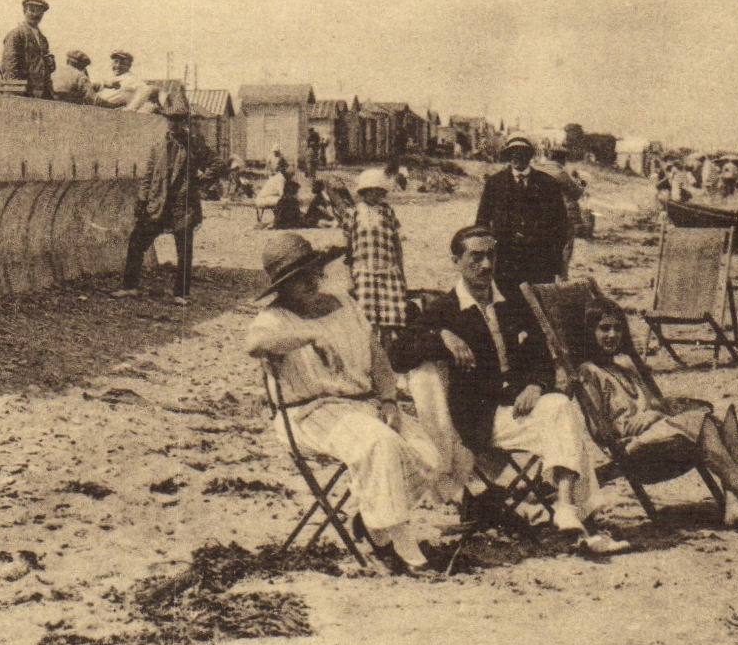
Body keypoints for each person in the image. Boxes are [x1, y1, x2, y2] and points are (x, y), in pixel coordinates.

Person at [419, 226, 628, 554]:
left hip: (518, 407)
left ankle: (565, 507)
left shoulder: (511, 301)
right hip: (479, 420)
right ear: (455, 260)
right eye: (476, 256)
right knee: (564, 419)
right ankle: (584, 520)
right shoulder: (443, 309)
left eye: (491, 255)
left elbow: (542, 356)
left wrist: (535, 384)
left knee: (560, 407)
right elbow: (401, 351)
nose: (486, 265)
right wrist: (442, 337)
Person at [247, 233, 443, 571]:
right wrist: (310, 336)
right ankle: (399, 546)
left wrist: (389, 401)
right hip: (311, 412)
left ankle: (371, 523)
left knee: (429, 456)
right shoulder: (274, 319)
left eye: (314, 271)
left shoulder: (344, 302)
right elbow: (255, 343)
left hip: (363, 403)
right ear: (283, 286)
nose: (310, 281)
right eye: (297, 278)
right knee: (380, 444)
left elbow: (377, 356)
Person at [577, 298, 738, 526]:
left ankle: (732, 505)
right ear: (590, 332)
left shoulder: (626, 365)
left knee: (720, 414)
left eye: (618, 328)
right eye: (604, 328)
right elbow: (599, 430)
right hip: (633, 446)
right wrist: (630, 424)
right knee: (701, 422)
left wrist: (655, 412)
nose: (612, 335)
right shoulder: (588, 372)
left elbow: (656, 405)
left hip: (659, 431)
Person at [113, 87, 208, 302]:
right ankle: (130, 286)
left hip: (182, 205)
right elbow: (148, 175)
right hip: (158, 203)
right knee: (137, 241)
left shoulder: (195, 145)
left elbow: (217, 165)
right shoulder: (158, 145)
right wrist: (142, 199)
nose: (174, 124)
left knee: (184, 250)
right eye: (171, 120)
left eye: (178, 120)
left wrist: (197, 182)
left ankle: (181, 293)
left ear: (184, 122)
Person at [474, 134, 571, 296]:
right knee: (505, 306)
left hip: (539, 261)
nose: (516, 157)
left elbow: (560, 226)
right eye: (511, 152)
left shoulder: (547, 184)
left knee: (539, 307)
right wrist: (487, 256)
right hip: (504, 260)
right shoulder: (495, 183)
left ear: (530, 155)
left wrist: (553, 261)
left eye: (521, 152)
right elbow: (482, 221)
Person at [345, 169, 410, 365]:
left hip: (389, 271)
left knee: (389, 322)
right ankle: (371, 365)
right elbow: (347, 248)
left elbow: (397, 244)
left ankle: (387, 364)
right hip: (363, 271)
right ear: (364, 191)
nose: (376, 195)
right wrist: (349, 277)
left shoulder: (388, 212)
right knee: (369, 323)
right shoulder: (353, 213)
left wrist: (401, 270)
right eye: (372, 191)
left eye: (380, 191)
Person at [1, 0, 54, 98]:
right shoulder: (16, 34)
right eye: (32, 10)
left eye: (40, 12)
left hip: (39, 92)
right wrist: (15, 92)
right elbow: (10, 65)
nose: (35, 15)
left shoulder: (42, 39)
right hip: (21, 93)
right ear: (24, 11)